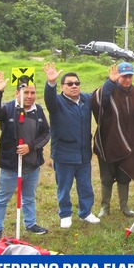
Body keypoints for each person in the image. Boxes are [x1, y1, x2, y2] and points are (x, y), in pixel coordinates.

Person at [0, 72, 51, 242]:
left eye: (33, 92)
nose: (30, 96)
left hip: (32, 165)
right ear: (17, 93)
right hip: (11, 165)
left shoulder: (38, 110)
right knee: (2, 198)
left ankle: (30, 224)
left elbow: (46, 132)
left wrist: (31, 146)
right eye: (26, 92)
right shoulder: (8, 109)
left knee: (29, 197)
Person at [43, 62, 100, 228]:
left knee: (85, 186)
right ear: (62, 87)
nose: (74, 86)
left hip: (83, 154)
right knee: (64, 187)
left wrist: (111, 82)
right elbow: (49, 99)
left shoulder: (86, 99)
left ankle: (86, 212)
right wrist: (50, 84)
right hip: (64, 154)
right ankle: (65, 214)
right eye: (70, 84)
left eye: (77, 83)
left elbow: (101, 94)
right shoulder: (57, 102)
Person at [90, 63, 134, 218]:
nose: (127, 80)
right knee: (106, 178)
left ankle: (124, 206)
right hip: (109, 142)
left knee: (124, 176)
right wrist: (110, 82)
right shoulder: (109, 91)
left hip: (130, 143)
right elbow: (97, 101)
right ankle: (104, 207)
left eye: (130, 76)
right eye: (124, 76)